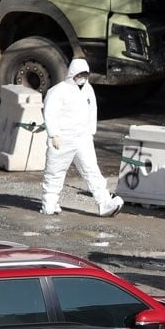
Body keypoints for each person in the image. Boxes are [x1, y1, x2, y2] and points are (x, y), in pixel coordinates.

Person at [40, 58, 123, 217]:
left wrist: (91, 132)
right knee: (55, 172)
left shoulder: (88, 90)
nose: (83, 77)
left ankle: (104, 203)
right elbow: (50, 113)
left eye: (85, 74)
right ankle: (49, 203)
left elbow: (93, 111)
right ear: (72, 73)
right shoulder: (58, 91)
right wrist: (54, 134)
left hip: (83, 139)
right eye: (80, 74)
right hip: (62, 139)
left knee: (92, 170)